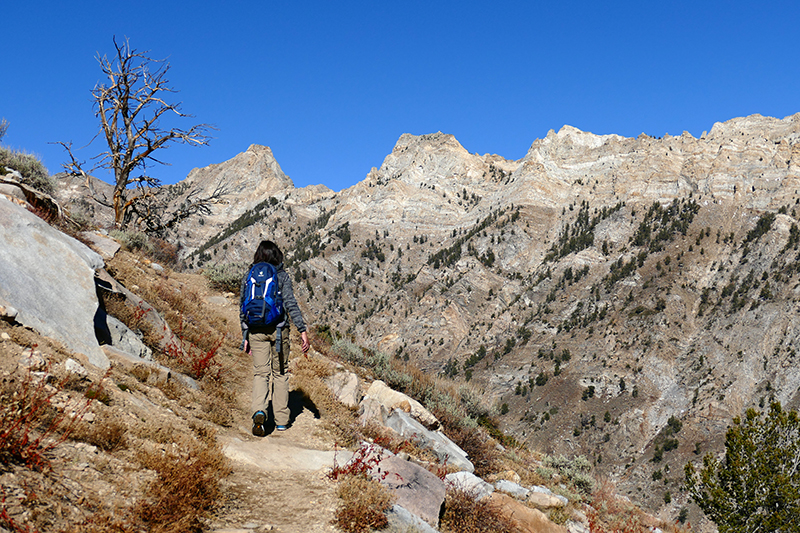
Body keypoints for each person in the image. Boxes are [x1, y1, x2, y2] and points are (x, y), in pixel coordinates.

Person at [240, 240, 310, 436]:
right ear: (277, 256)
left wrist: (245, 334)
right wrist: (302, 330)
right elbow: (290, 303)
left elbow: (242, 306)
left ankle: (260, 411)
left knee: (261, 374)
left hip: (255, 331)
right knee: (280, 374)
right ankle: (281, 421)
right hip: (279, 332)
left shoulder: (250, 275)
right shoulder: (281, 276)